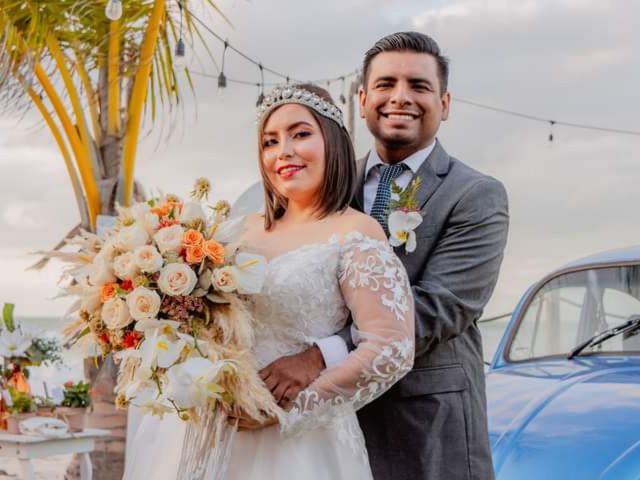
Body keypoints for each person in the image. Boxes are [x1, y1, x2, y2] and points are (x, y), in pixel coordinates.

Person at [123, 83, 415, 480]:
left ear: (333, 141)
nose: (284, 152)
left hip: (297, 446)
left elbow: (390, 348)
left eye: (300, 134)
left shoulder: (356, 232)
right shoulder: (235, 231)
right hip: (210, 429)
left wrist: (286, 409)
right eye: (270, 141)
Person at [261, 32, 509, 480]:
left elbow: (441, 308)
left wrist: (318, 356)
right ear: (361, 99)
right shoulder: (325, 188)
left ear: (445, 103)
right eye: (385, 84)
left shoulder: (475, 195)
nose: (400, 97)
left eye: (419, 86)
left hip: (425, 425)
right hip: (324, 429)